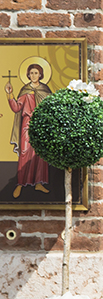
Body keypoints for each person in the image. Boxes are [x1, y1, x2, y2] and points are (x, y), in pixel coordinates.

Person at [6, 63, 52, 199]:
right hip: (27, 124)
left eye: (36, 73)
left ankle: (39, 183)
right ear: (28, 75)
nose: (33, 75)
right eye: (31, 73)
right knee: (25, 152)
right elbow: (16, 108)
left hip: (40, 125)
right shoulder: (25, 90)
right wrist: (9, 94)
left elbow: (50, 107)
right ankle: (20, 183)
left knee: (40, 153)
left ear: (41, 74)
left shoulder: (45, 90)